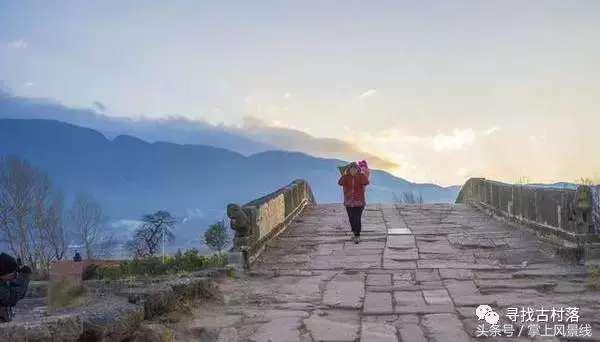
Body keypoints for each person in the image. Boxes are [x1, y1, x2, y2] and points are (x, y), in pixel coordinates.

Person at [338, 162, 369, 243]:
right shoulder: (346, 177)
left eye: (355, 169)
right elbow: (340, 183)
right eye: (351, 169)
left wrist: (363, 174)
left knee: (357, 218)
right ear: (349, 170)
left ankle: (357, 235)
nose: (353, 171)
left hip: (359, 202)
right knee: (351, 219)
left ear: (357, 169)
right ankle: (355, 232)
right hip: (348, 202)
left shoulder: (360, 176)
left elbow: (366, 182)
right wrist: (344, 175)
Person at [0, 253, 31, 323]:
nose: (14, 277)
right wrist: (24, 277)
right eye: (13, 274)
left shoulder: (3, 282)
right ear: (3, 272)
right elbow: (11, 298)